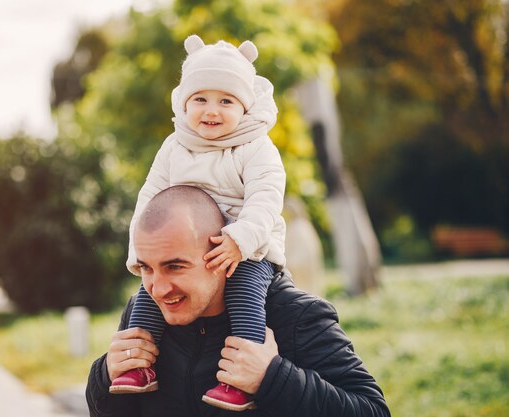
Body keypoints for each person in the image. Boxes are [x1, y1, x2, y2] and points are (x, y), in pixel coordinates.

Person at [86, 185, 391, 417]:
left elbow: (372, 410)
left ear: (222, 256)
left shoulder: (295, 316)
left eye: (175, 266)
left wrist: (273, 377)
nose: (158, 288)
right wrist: (105, 374)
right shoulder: (144, 313)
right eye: (146, 268)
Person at [109, 34, 286, 411]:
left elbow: (266, 199)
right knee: (148, 296)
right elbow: (149, 198)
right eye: (200, 99)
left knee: (244, 297)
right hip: (184, 252)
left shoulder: (255, 145)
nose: (211, 110)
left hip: (248, 251)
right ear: (184, 102)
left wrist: (241, 239)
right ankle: (138, 367)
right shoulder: (175, 145)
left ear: (244, 106)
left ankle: (241, 380)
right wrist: (142, 255)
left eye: (226, 101)